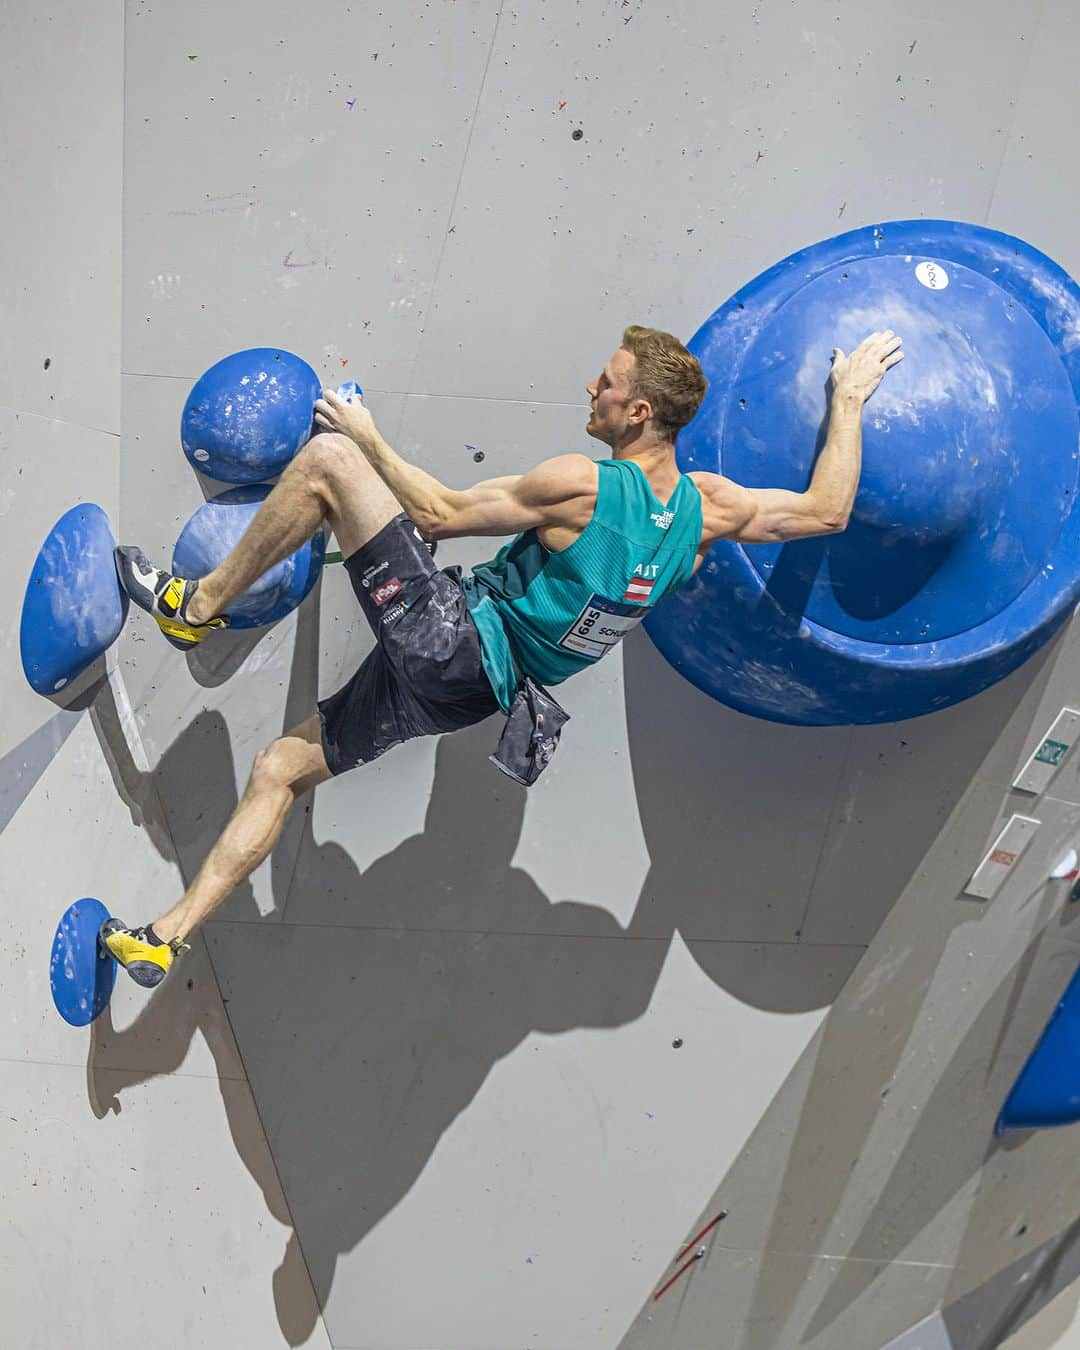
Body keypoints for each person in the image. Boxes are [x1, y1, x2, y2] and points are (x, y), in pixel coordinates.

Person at [102, 324, 903, 987]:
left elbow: (439, 512)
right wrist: (850, 400)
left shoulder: (586, 487)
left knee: (326, 466)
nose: (592, 390)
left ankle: (192, 608)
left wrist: (367, 437)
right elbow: (827, 512)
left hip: (450, 643)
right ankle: (163, 941)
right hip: (475, 696)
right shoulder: (704, 511)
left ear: (639, 411)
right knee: (282, 768)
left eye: (606, 383)